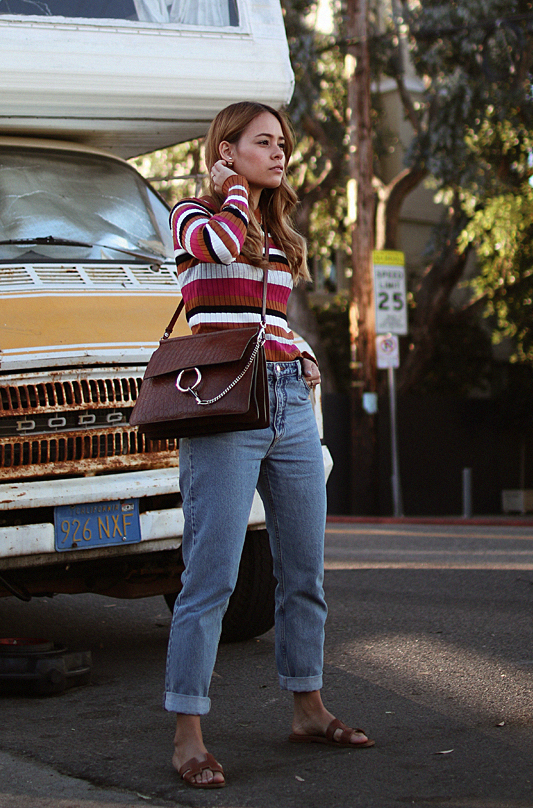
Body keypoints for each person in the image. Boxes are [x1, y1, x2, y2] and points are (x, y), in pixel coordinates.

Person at [165, 101, 374, 789]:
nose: (280, 153)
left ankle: (308, 707)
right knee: (212, 578)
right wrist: (231, 189)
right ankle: (188, 734)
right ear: (225, 149)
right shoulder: (194, 215)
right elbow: (218, 259)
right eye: (262, 142)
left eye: (283, 142)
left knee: (304, 571)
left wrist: (302, 351)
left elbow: (267, 318)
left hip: (287, 401)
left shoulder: (280, 230)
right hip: (223, 411)